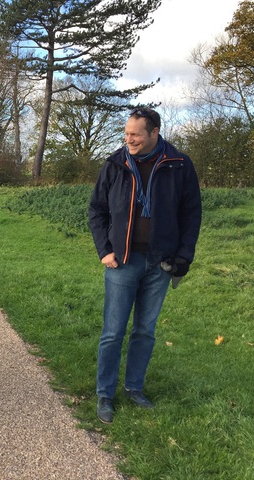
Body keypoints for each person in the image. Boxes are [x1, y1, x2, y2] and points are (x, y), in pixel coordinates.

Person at [88, 108, 202, 424]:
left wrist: (184, 255)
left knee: (145, 331)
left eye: (135, 134)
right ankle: (105, 394)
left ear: (154, 133)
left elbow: (192, 214)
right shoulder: (115, 164)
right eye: (126, 134)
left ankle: (134, 388)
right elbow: (96, 211)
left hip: (160, 262)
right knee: (113, 332)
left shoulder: (179, 165)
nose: (129, 140)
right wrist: (104, 251)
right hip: (122, 261)